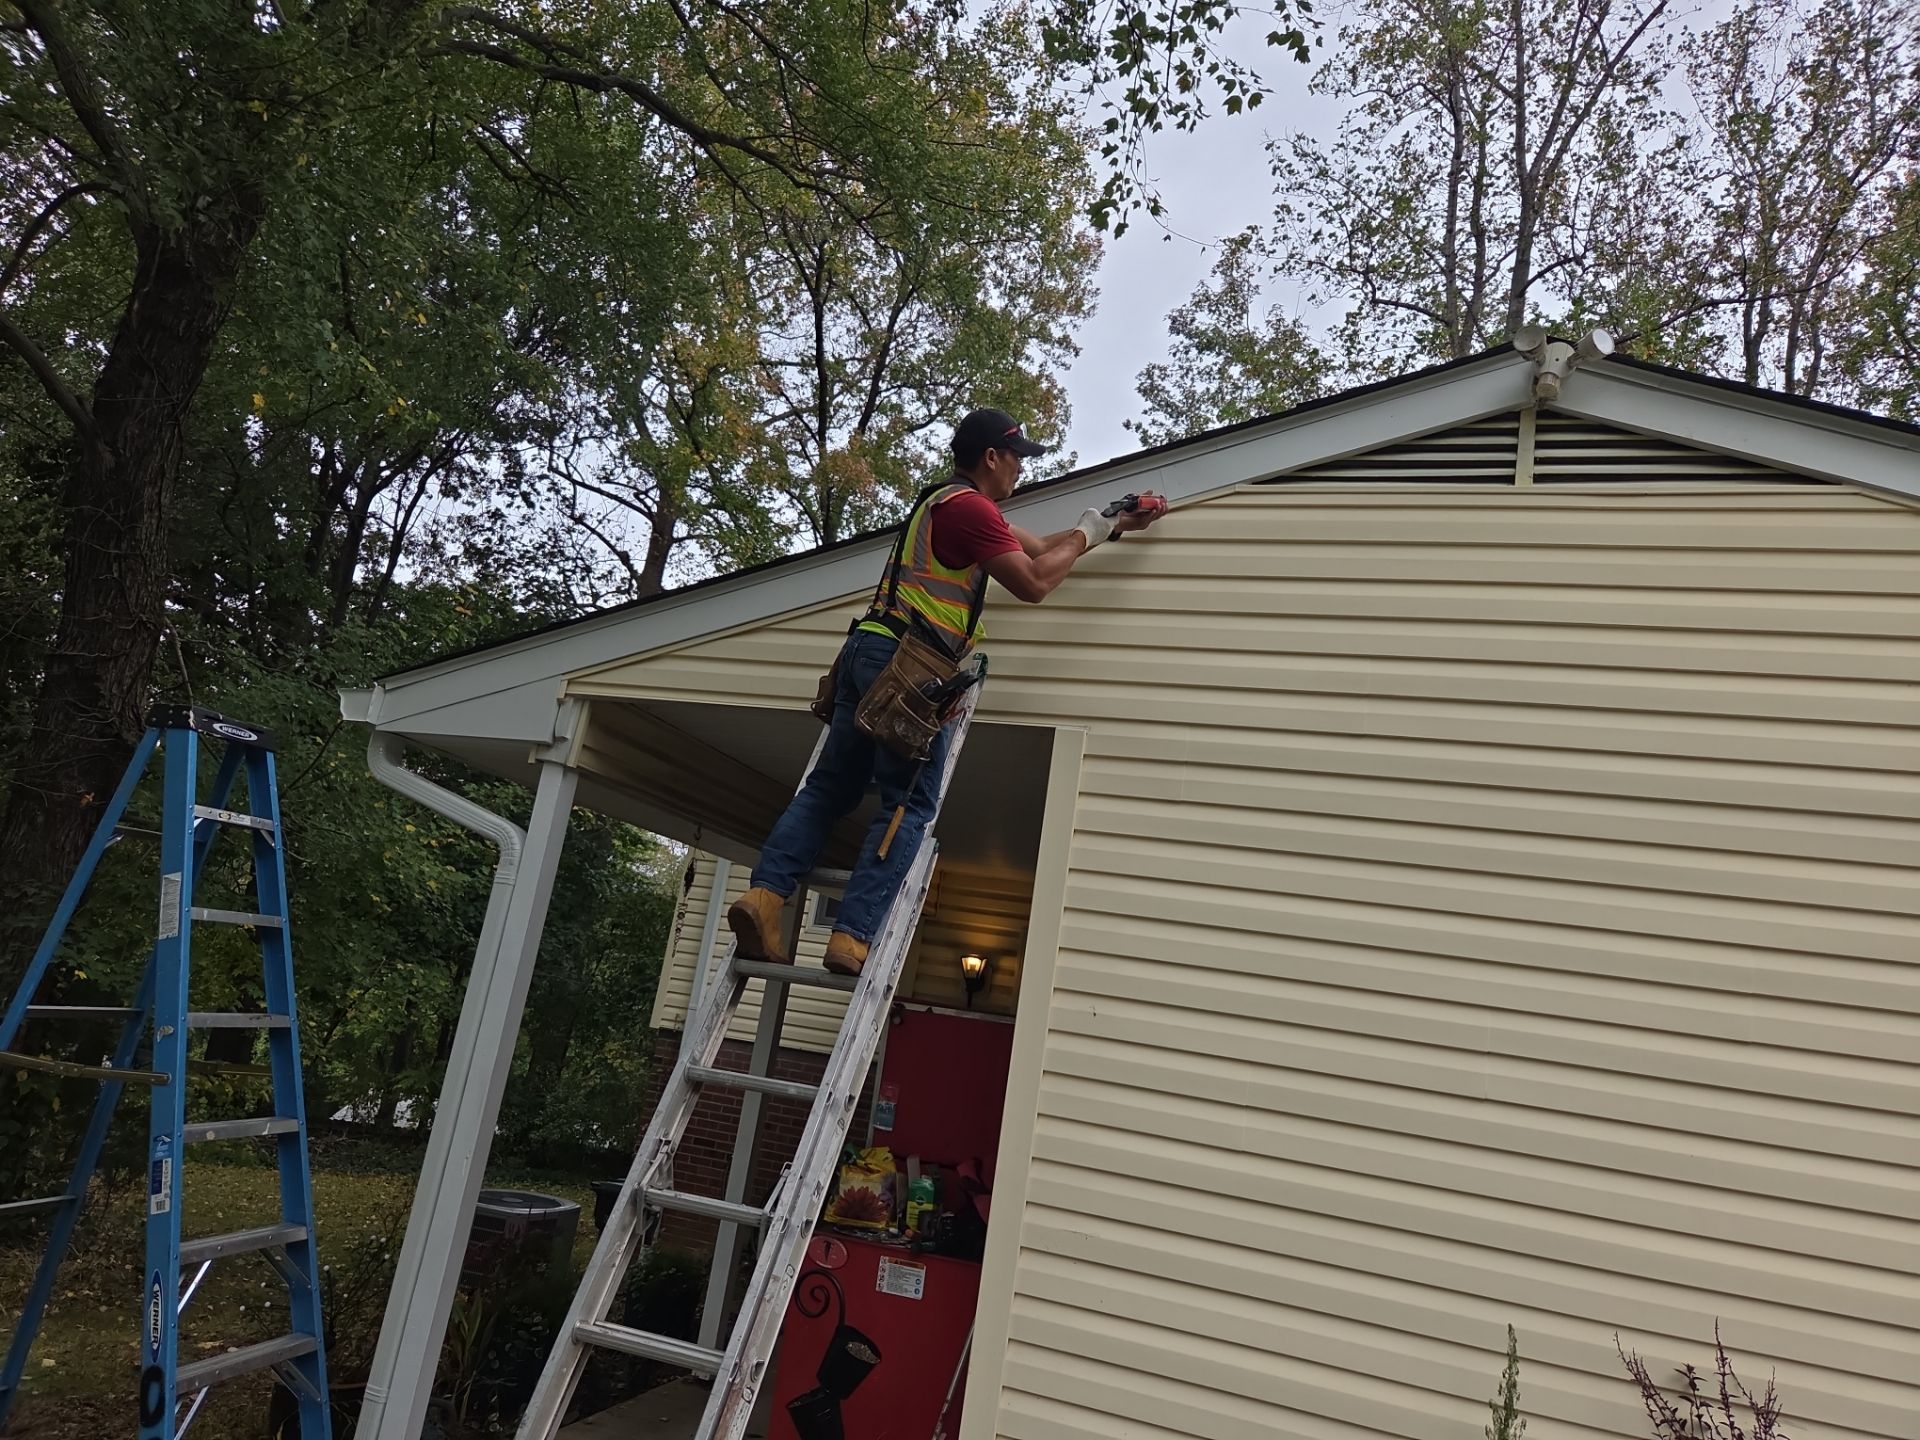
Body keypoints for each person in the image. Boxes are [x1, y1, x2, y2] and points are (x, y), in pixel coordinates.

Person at [727, 407, 1166, 978]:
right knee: (908, 803)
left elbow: (1041, 548)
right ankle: (851, 936)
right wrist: (1090, 531)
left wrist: (1110, 523)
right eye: (1017, 458)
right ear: (992, 457)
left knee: (829, 787)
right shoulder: (971, 511)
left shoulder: (945, 504)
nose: (1021, 470)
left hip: (867, 651)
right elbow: (1035, 582)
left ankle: (764, 898)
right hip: (910, 666)